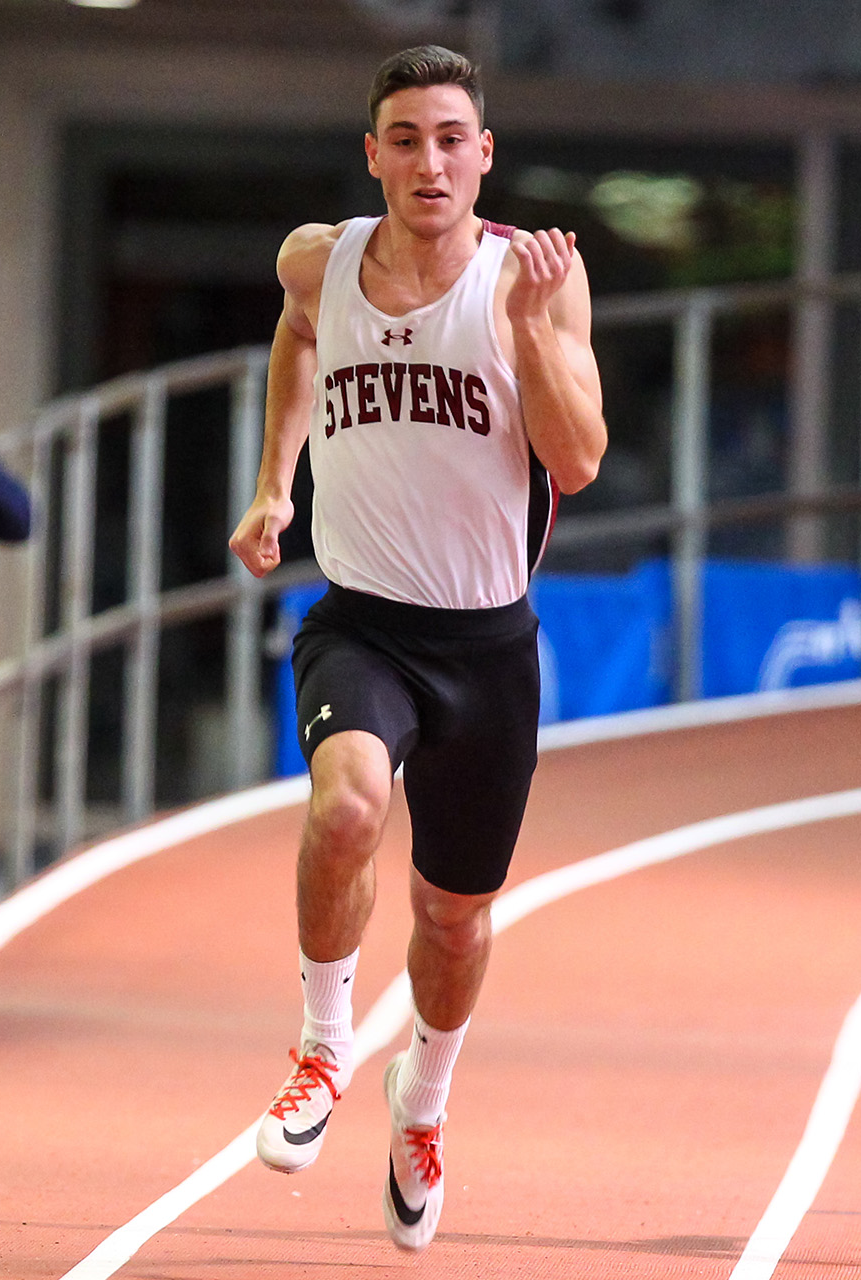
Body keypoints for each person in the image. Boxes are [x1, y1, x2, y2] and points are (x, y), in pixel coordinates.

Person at [227, 44, 605, 1252]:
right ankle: (325, 1047)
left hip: (488, 645)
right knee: (344, 809)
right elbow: (296, 335)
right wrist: (274, 479)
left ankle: (421, 1101)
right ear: (373, 153)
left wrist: (535, 329)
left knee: (453, 916)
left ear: (483, 155)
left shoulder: (531, 278)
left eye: (452, 138)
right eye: (405, 137)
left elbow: (579, 457)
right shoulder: (316, 259)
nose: (428, 161)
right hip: (363, 621)